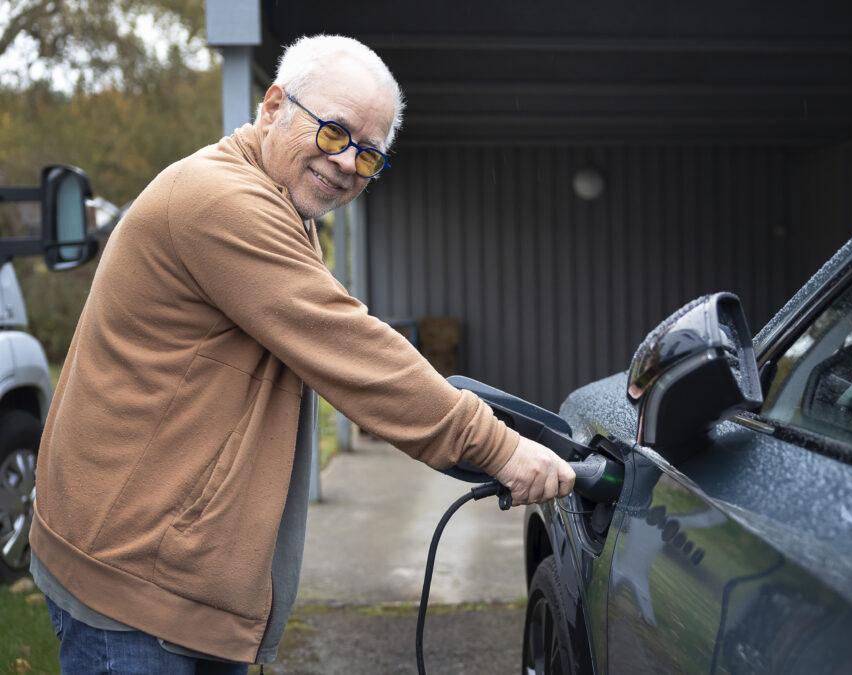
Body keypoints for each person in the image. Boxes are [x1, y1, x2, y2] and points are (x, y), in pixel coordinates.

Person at [29, 34, 575, 672]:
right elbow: (351, 348)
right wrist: (501, 449)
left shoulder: (284, 209)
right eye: (335, 133)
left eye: (369, 154)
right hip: (131, 591)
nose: (348, 163)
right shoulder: (219, 200)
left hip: (177, 584)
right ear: (272, 106)